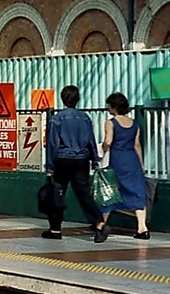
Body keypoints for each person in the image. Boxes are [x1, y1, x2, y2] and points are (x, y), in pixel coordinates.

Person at [43, 85, 107, 242]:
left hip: (62, 160)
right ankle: (98, 222)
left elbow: (52, 144)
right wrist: (94, 159)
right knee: (84, 193)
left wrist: (50, 167)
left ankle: (55, 229)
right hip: (82, 159)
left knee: (57, 194)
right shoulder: (85, 118)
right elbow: (91, 140)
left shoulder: (57, 119)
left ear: (62, 99)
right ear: (77, 99)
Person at [98, 92, 149, 240]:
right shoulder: (134, 124)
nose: (107, 107)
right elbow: (137, 145)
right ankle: (142, 228)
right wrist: (141, 164)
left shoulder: (111, 122)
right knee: (137, 193)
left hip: (117, 160)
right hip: (132, 160)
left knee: (110, 193)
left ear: (113, 107)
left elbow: (108, 141)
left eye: (109, 105)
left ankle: (101, 225)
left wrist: (102, 149)